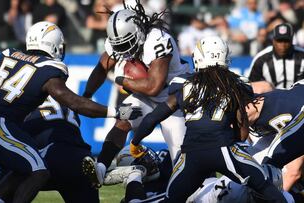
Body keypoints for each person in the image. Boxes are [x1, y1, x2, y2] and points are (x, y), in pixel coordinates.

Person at [0, 21, 141, 203]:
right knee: (35, 169)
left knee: (17, 171)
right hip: (73, 153)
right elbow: (75, 103)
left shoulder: (10, 57)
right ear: (55, 46)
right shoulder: (50, 74)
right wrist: (116, 111)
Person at [129, 36, 286, 202]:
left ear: (199, 57)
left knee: (171, 199)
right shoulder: (235, 84)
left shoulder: (184, 84)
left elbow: (153, 118)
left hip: (192, 155)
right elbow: (242, 132)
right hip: (225, 150)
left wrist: (135, 142)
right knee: (266, 187)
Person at [82, 1, 190, 188]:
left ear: (138, 32)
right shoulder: (120, 40)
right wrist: (86, 94)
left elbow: (153, 86)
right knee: (123, 119)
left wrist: (122, 80)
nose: (123, 50)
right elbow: (101, 68)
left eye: (127, 43)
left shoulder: (157, 39)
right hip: (146, 97)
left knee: (181, 160)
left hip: (174, 99)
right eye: (119, 45)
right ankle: (100, 167)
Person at [249, 23, 304, 90]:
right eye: (279, 41)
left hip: (298, 98)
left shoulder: (302, 56)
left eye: (286, 41)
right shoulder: (261, 59)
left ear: (292, 40)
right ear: (273, 41)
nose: (283, 45)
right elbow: (251, 86)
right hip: (271, 99)